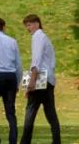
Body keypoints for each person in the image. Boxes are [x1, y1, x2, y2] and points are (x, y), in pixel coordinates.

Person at [20, 14, 60, 144]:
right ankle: (56, 141)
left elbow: (35, 62)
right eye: (27, 26)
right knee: (51, 115)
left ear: (37, 23)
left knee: (30, 112)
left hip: (40, 79)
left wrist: (30, 83)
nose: (28, 28)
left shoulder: (37, 37)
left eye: (29, 25)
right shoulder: (45, 38)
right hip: (49, 79)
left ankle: (25, 142)